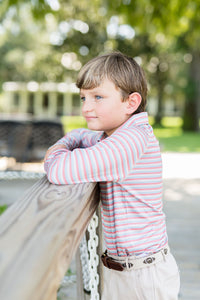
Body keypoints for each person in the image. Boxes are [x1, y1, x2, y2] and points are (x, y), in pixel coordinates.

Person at [44, 51, 180, 300]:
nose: (86, 107)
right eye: (83, 97)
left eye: (98, 97)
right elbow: (81, 135)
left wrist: (56, 150)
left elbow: (58, 169)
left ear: (131, 102)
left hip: (144, 278)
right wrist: (70, 140)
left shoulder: (131, 140)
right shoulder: (113, 135)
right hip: (121, 270)